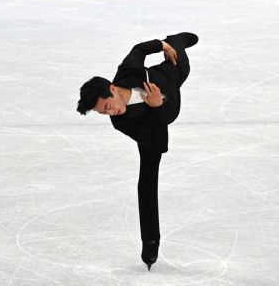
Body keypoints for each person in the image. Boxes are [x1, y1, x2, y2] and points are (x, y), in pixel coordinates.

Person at [76, 32, 198, 271]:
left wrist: (162, 45)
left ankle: (175, 40)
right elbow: (159, 142)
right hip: (154, 126)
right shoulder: (122, 122)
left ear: (112, 89)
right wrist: (156, 108)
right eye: (103, 113)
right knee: (146, 181)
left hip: (169, 75)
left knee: (181, 63)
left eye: (108, 106)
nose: (111, 113)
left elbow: (138, 49)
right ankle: (150, 242)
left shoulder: (128, 71)